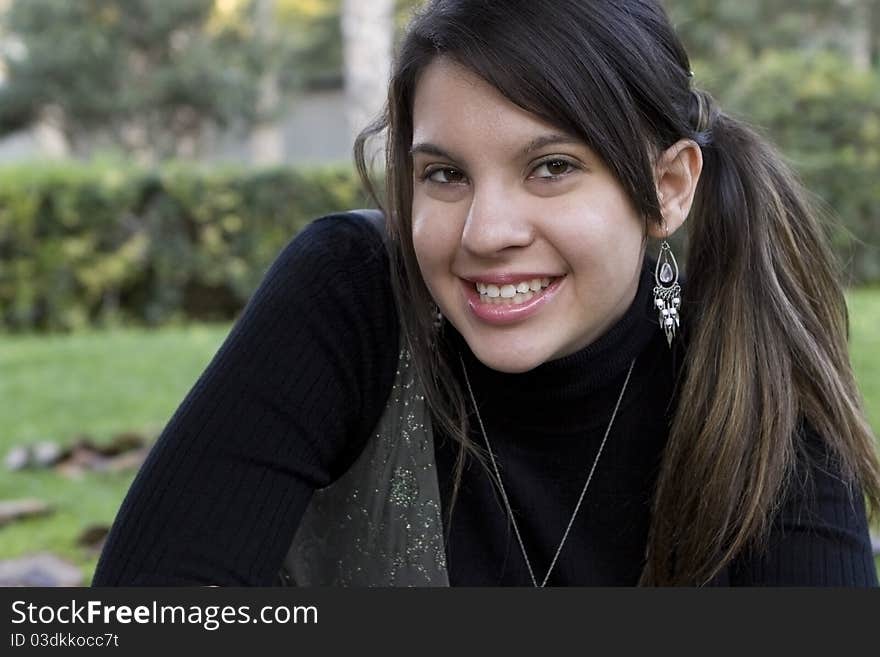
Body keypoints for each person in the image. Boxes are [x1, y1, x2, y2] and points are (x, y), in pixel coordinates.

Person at [92, 0, 879, 587]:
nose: (485, 231)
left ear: (667, 188)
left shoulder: (758, 389)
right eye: (445, 174)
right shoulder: (353, 297)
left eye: (552, 167)